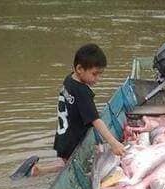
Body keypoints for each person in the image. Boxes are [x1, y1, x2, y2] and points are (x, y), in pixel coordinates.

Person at [28, 44, 125, 177]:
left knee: (64, 161)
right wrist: (114, 143)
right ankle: (41, 170)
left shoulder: (68, 80)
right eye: (94, 74)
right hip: (73, 140)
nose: (97, 79)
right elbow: (96, 121)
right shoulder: (82, 92)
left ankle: (39, 170)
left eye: (99, 75)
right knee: (67, 164)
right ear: (79, 68)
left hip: (62, 137)